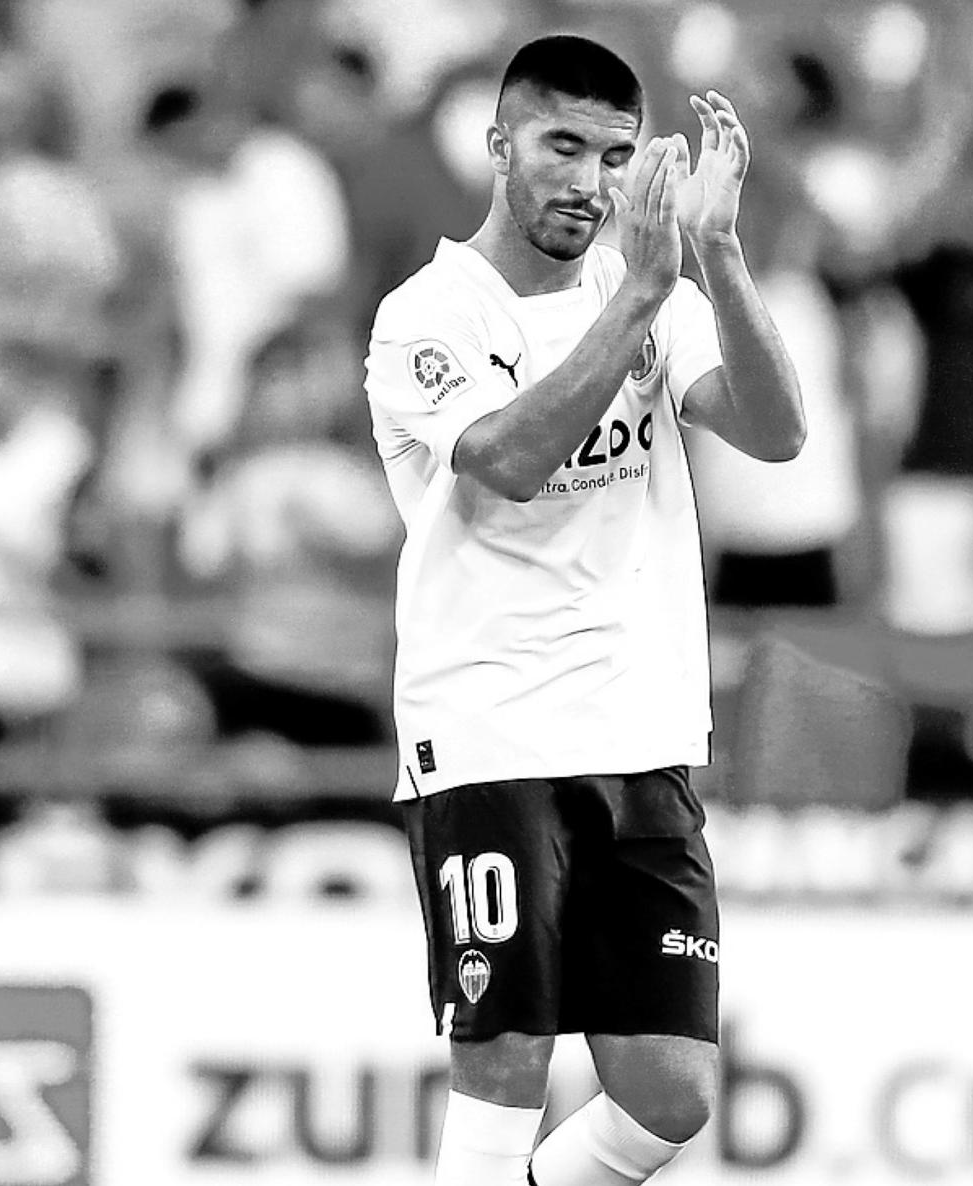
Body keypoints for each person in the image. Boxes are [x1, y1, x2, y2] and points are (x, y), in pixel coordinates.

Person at [363, 36, 803, 1186]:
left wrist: (716, 252)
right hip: (491, 726)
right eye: (562, 146)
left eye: (615, 155)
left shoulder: (651, 282)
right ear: (499, 144)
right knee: (502, 1060)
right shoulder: (426, 316)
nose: (589, 183)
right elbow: (507, 458)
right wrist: (649, 291)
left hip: (641, 724)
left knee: (670, 1092)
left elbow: (776, 431)